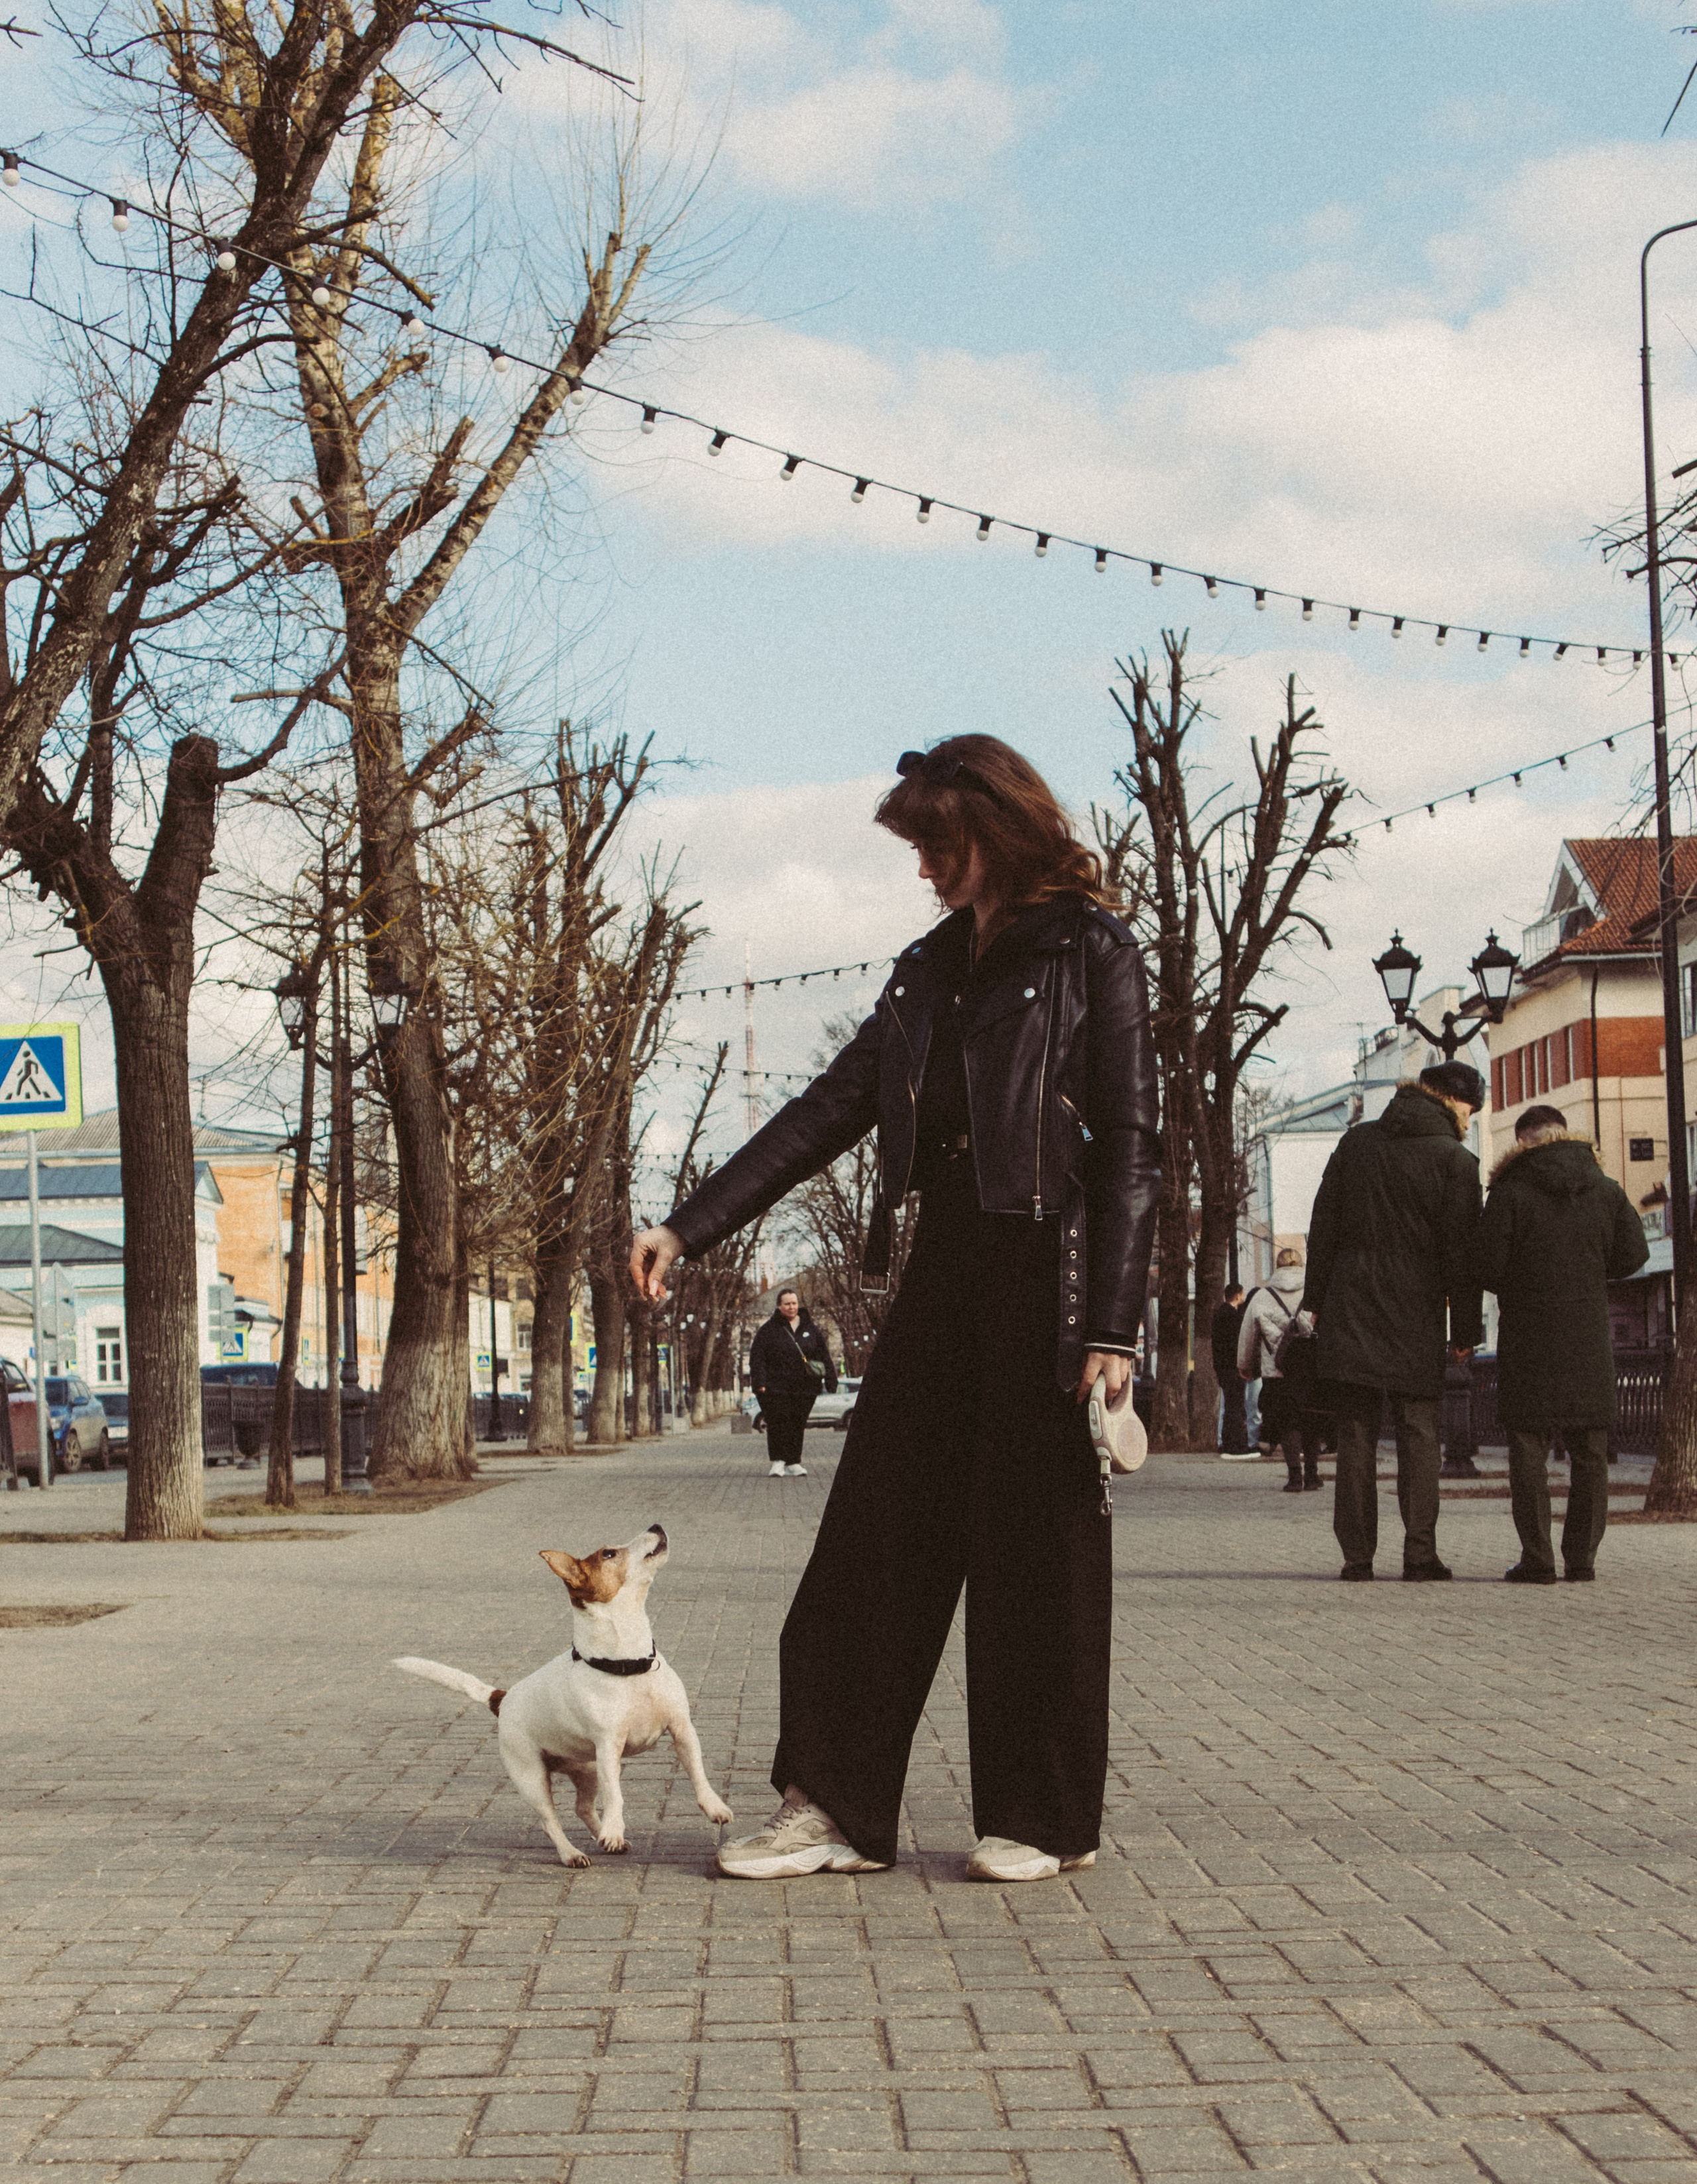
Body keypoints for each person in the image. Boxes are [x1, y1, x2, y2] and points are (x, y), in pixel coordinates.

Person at [629, 734, 1159, 1885]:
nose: (923, 867)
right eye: (915, 847)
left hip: (1053, 1274)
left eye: (937, 844)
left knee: (1037, 1554)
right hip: (951, 1263)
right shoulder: (928, 970)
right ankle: (833, 1808)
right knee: (873, 1537)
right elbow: (829, 1108)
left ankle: (1043, 1818)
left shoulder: (1092, 951)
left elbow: (1128, 1148)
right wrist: (689, 1225)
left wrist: (1112, 1327)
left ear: (998, 827)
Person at [1301, 1061, 1485, 1581]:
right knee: (1419, 1433)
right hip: (1417, 1312)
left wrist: (1315, 1299)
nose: (1472, 1118)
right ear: (1452, 1101)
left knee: (1356, 1433)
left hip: (1351, 1308)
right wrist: (1465, 1330)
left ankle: (1357, 1556)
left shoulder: (1356, 1144)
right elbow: (1461, 1256)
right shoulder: (1456, 1161)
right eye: (1472, 1107)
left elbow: (1324, 1225)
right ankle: (1420, 1554)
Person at [1476, 1104, 1648, 1583]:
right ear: (1565, 1134)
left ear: (1523, 1141)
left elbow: (1486, 1266)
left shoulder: (1509, 1194)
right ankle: (1583, 1558)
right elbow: (1634, 1253)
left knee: (1528, 1449)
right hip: (1588, 1336)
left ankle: (1538, 1558)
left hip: (1528, 1336)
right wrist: (1591, 1272)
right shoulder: (1606, 1189)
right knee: (1591, 1451)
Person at [1237, 1248, 1321, 1492]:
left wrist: (1246, 1366)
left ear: (1277, 1266)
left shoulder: (1263, 1297)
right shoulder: (1315, 1293)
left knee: (1288, 1422)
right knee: (1311, 1419)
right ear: (1301, 1264)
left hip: (1276, 1372)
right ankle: (1313, 1475)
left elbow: (1248, 1336)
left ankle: (1295, 1477)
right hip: (1310, 1370)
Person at [749, 1289, 837, 1478]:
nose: (792, 1307)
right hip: (775, 1387)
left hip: (805, 1387)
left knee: (797, 1423)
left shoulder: (810, 1329)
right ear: (779, 1306)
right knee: (778, 1422)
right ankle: (778, 1462)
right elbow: (757, 1358)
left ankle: (794, 1462)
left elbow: (824, 1355)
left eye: (794, 1303)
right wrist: (759, 1383)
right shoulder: (768, 1330)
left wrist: (831, 1379)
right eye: (787, 1304)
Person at [1210, 1283, 1249, 1455]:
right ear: (1238, 1296)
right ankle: (1236, 1444)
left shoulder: (1220, 1314)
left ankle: (1227, 1442)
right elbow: (1236, 1344)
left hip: (1223, 1367)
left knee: (1230, 1406)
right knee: (1236, 1406)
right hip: (1232, 1367)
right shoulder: (1232, 1316)